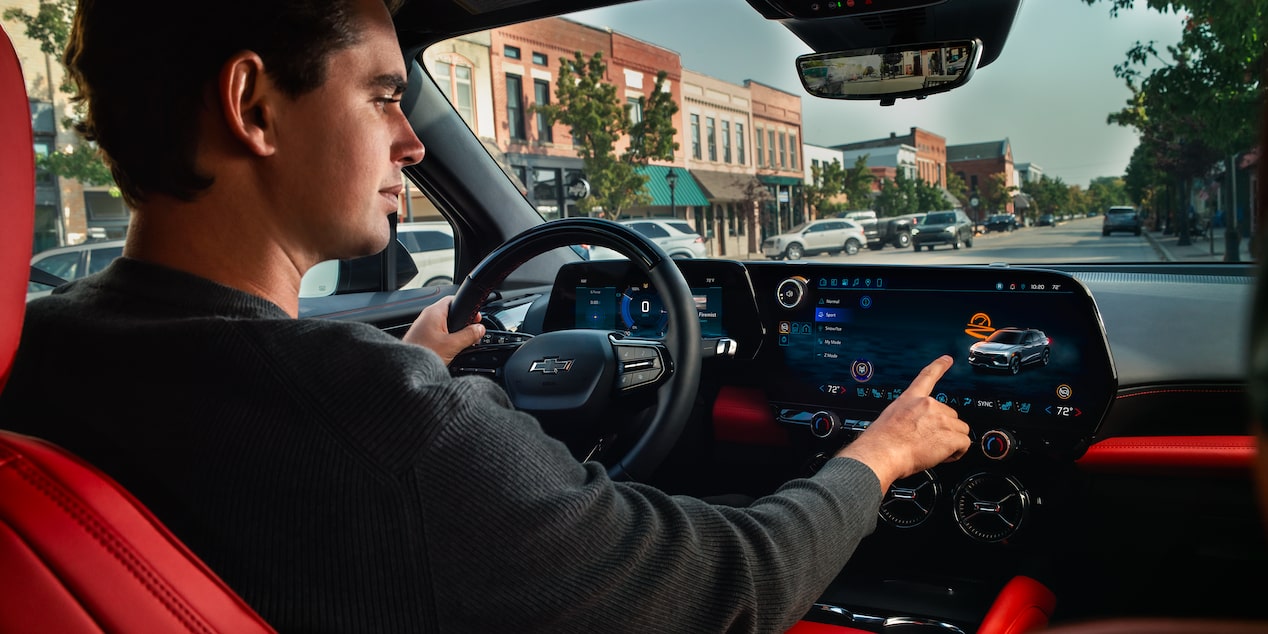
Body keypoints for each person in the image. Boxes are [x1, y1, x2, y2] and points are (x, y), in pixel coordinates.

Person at [0, 0, 971, 632]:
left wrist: (417, 367)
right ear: (253, 105)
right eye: (383, 95)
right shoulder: (385, 422)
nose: (413, 142)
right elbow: (730, 584)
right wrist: (878, 455)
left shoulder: (40, 354)